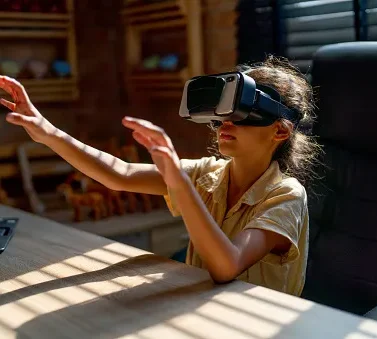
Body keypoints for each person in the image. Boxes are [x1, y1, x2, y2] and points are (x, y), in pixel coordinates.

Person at [0, 56, 320, 297]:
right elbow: (120, 174)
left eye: (240, 115)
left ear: (279, 130)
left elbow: (228, 265)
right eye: (221, 115)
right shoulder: (209, 174)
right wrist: (47, 132)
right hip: (200, 307)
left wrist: (178, 182)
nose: (225, 124)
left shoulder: (286, 195)